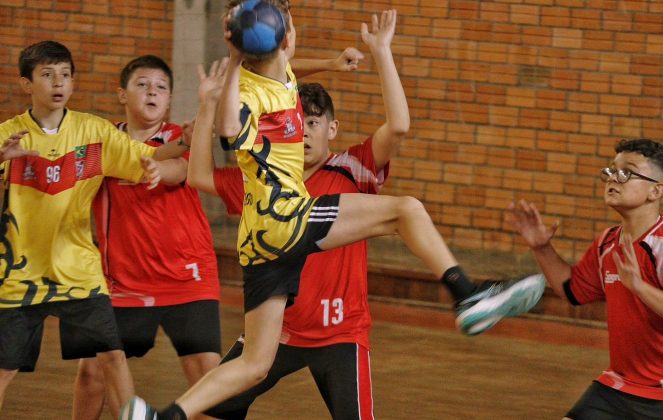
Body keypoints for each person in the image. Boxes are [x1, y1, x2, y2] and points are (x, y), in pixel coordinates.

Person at [121, 4, 544, 419]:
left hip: (259, 247)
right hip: (285, 218)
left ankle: (163, 417)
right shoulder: (249, 92)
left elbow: (282, 70)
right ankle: (466, 294)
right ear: (285, 36)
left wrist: (326, 63)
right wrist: (228, 72)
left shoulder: (281, 77)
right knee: (405, 210)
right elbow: (231, 130)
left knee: (253, 364)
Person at [187, 10, 403, 419]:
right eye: (298, 123)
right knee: (211, 407)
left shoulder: (352, 169)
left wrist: (381, 54)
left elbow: (397, 127)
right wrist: (206, 107)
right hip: (281, 331)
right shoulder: (262, 181)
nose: (303, 132)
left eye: (314, 123)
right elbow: (199, 174)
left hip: (340, 333)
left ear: (332, 129)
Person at [0, 41, 184, 418]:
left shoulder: (93, 132)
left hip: (78, 271)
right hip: (18, 274)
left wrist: (188, 139)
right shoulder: (8, 136)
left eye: (65, 75)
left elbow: (145, 157)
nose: (59, 83)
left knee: (113, 356)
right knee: (4, 370)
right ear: (26, 84)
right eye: (47, 74)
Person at [508, 138, 663, 419]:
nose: (612, 179)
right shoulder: (607, 242)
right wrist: (541, 248)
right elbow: (573, 291)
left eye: (626, 173)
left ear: (656, 190)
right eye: (610, 171)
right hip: (620, 383)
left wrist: (640, 287)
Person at [70, 55, 222, 420]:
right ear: (122, 94)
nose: (152, 92)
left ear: (169, 100)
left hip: (187, 276)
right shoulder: (103, 139)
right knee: (92, 372)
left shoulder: (179, 138)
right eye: (142, 84)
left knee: (208, 377)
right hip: (123, 282)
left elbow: (182, 169)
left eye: (161, 87)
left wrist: (159, 167)